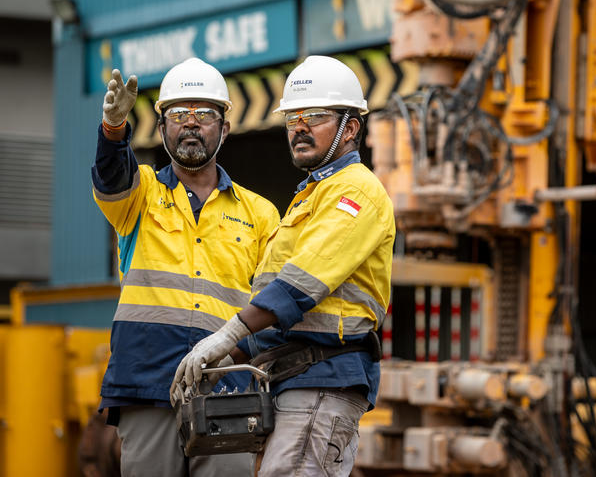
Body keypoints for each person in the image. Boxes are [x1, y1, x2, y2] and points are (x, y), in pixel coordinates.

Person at [171, 55, 396, 477]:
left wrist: (227, 335)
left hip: (323, 381)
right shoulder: (310, 198)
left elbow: (299, 287)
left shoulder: (356, 192)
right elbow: (280, 316)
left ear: (351, 128)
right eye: (292, 118)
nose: (299, 128)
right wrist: (226, 358)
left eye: (314, 116)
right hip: (296, 381)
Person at [92, 57, 279, 477]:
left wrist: (234, 352)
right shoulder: (138, 195)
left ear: (225, 129)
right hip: (147, 383)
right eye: (178, 114)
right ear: (161, 130)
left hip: (228, 389)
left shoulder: (262, 214)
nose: (191, 124)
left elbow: (273, 304)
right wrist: (113, 132)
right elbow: (110, 176)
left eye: (204, 114)